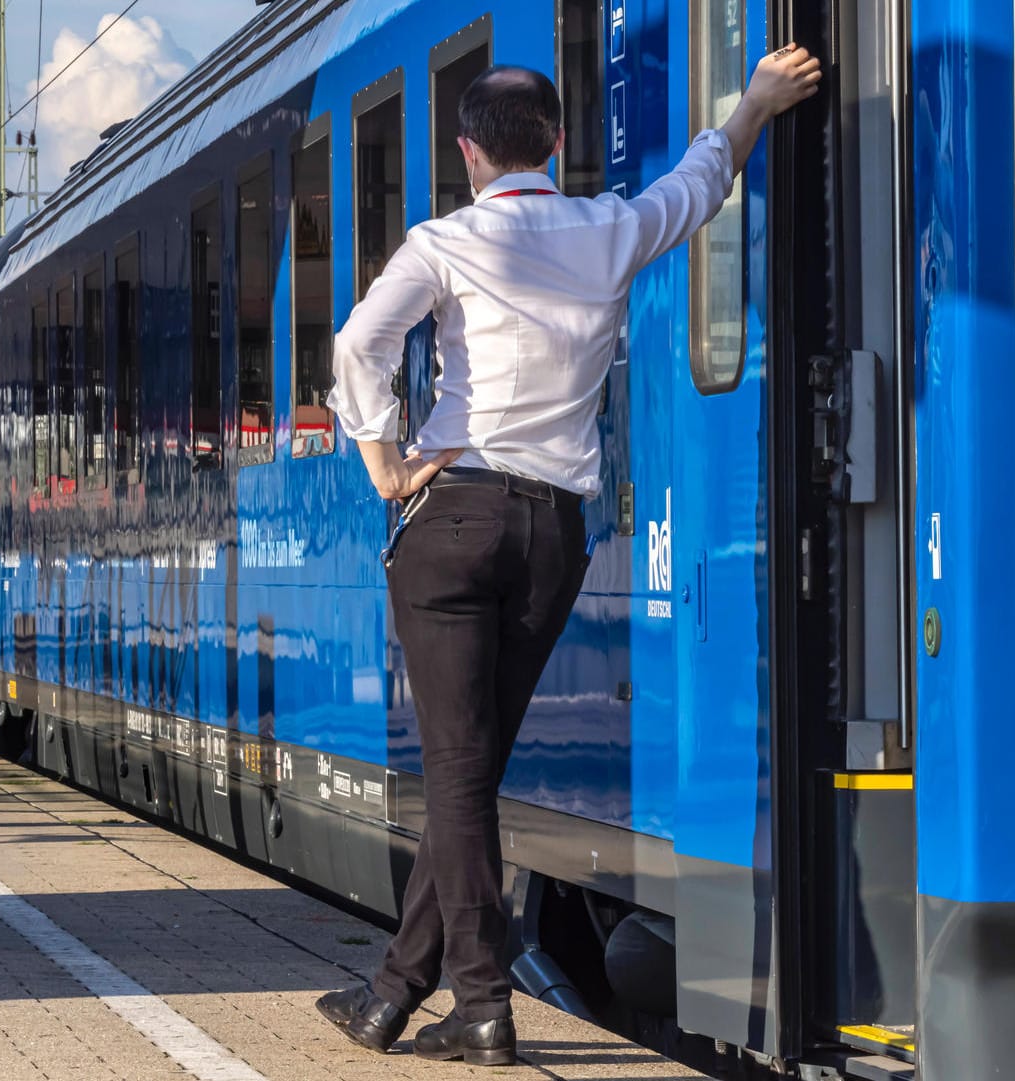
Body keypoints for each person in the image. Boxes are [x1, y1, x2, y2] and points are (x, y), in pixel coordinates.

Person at [315, 44, 822, 1066]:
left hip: (453, 519)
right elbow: (701, 178)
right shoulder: (608, 227)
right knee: (474, 769)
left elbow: (359, 342)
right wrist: (756, 103)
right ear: (557, 142)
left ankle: (483, 1003)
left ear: (467, 153)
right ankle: (389, 992)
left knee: (458, 773)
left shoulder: (444, 242)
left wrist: (384, 461)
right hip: (553, 535)